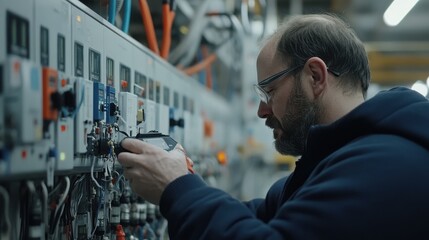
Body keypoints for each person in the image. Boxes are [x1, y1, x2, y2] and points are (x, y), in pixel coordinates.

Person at [118, 14, 429, 239]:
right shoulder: (331, 162)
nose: (261, 110)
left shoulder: (383, 166)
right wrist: (180, 178)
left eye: (269, 90)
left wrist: (178, 189)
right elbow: (259, 217)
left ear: (316, 77)